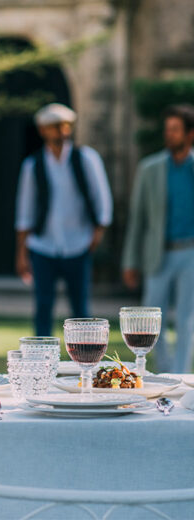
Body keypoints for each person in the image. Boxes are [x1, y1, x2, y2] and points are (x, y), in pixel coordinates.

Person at [15, 103, 113, 336]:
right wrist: (21, 253)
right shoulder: (33, 165)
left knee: (80, 311)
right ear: (43, 131)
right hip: (43, 245)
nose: (61, 132)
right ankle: (42, 362)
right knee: (43, 306)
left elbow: (103, 200)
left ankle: (84, 362)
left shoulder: (86, 159)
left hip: (79, 243)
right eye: (55, 127)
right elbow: (25, 212)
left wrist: (95, 237)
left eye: (65, 126)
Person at [122, 104, 194, 373]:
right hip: (158, 254)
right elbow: (137, 219)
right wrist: (131, 261)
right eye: (168, 130)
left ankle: (180, 377)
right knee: (152, 321)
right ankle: (164, 373)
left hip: (191, 253)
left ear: (190, 134)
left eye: (175, 130)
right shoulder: (149, 169)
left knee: (187, 320)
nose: (170, 135)